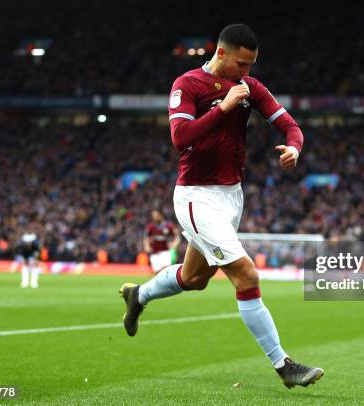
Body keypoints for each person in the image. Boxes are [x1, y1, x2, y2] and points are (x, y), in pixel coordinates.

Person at [120, 23, 323, 388]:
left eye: (252, 65)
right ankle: (284, 366)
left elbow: (291, 126)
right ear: (220, 52)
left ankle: (139, 294)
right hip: (196, 196)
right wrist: (223, 108)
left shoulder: (251, 88)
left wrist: (294, 147)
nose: (246, 72)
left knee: (194, 279)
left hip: (232, 197)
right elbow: (180, 138)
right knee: (247, 275)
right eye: (242, 64)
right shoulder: (187, 85)